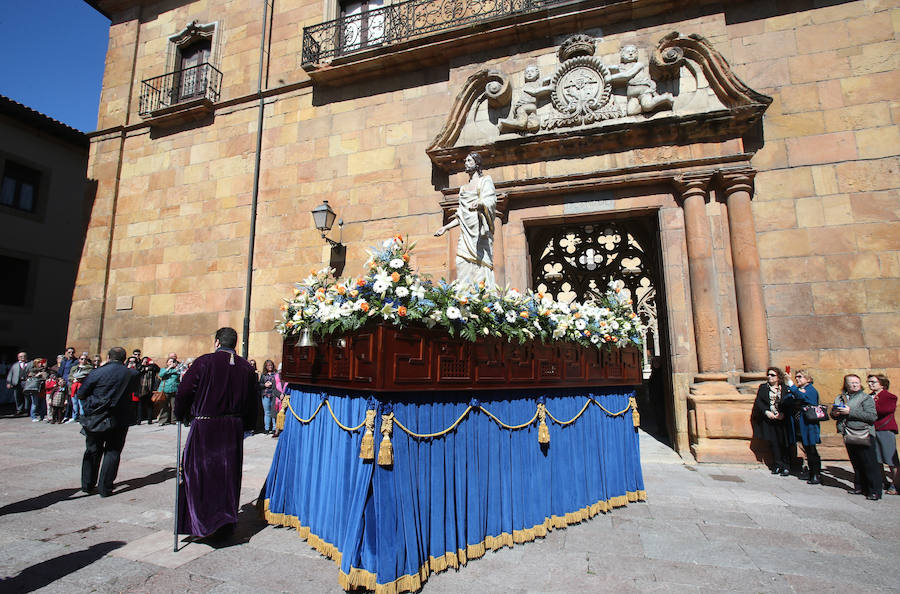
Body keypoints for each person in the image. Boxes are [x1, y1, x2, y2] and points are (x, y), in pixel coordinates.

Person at [174, 327, 257, 540]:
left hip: (206, 427)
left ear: (217, 342)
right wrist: (246, 425)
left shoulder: (205, 362)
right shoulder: (246, 367)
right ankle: (224, 523)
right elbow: (252, 402)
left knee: (200, 474)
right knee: (228, 476)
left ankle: (204, 522)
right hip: (233, 429)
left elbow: (184, 391)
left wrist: (181, 413)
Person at [77, 347, 139, 497]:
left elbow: (81, 393)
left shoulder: (98, 372)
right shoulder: (132, 374)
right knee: (113, 451)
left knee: (92, 450)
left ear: (109, 357)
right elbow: (136, 394)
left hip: (97, 417)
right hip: (120, 418)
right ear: (124, 358)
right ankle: (105, 488)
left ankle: (87, 485)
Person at [434, 152, 497, 289]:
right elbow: (461, 215)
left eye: (469, 161)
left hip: (480, 233)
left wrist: (481, 204)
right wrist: (445, 228)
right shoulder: (463, 189)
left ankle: (481, 299)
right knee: (461, 262)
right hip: (466, 233)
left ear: (477, 163)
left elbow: (491, 200)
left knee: (481, 268)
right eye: (466, 161)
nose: (466, 163)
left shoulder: (485, 181)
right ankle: (464, 296)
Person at [831, 374, 881, 500]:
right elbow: (833, 413)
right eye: (852, 382)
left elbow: (872, 416)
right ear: (846, 384)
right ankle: (860, 487)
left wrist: (850, 412)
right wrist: (835, 413)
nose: (855, 385)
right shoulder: (841, 398)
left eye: (857, 382)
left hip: (863, 433)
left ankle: (874, 490)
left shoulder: (865, 398)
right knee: (856, 462)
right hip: (848, 432)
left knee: (869, 462)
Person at [783, 369, 822, 484]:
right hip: (798, 424)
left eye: (800, 377)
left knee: (811, 449)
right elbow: (787, 399)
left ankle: (816, 473)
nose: (797, 379)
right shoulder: (797, 389)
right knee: (805, 448)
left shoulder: (811, 390)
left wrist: (791, 384)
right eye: (796, 377)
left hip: (807, 425)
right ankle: (810, 472)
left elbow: (803, 397)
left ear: (808, 379)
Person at [752, 367, 792, 476]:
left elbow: (790, 402)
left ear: (778, 377)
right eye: (768, 375)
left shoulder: (784, 388)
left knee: (784, 443)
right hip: (770, 419)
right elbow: (759, 401)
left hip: (782, 419)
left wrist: (783, 414)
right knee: (773, 443)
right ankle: (777, 464)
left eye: (772, 375)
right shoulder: (763, 387)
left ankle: (786, 465)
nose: (769, 377)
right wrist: (766, 412)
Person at [868, 373, 898, 495]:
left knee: (891, 459)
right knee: (876, 458)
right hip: (872, 430)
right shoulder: (869, 397)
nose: (870, 384)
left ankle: (896, 484)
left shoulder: (889, 396)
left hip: (885, 429)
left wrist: (870, 404)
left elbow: (885, 410)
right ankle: (882, 481)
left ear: (882, 384)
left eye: (873, 382)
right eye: (869, 382)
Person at [68, 354, 94, 423]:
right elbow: (70, 376)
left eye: (85, 359)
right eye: (82, 359)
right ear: (79, 360)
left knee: (81, 403)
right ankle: (74, 417)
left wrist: (78, 378)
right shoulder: (74, 368)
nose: (83, 360)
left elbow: (85, 376)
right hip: (73, 387)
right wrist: (73, 379)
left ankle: (82, 417)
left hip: (82, 387)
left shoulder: (89, 368)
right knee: (74, 403)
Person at [156, 357, 181, 425]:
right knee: (164, 406)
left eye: (173, 362)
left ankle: (174, 420)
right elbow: (160, 375)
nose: (171, 363)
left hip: (174, 390)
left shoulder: (177, 370)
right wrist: (169, 368)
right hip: (164, 390)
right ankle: (162, 420)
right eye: (170, 361)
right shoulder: (163, 369)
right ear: (167, 363)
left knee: (174, 406)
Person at [136, 356, 159, 425]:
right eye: (144, 360)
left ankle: (150, 420)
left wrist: (152, 364)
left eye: (147, 361)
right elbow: (139, 370)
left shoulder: (152, 367)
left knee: (150, 405)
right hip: (141, 388)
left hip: (150, 388)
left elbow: (157, 369)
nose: (146, 362)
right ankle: (139, 420)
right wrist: (144, 366)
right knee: (140, 406)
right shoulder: (140, 366)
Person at [23, 358, 48, 423]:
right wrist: (36, 376)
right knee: (35, 403)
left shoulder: (44, 370)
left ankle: (42, 416)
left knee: (43, 403)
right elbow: (29, 379)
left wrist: (43, 373)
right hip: (34, 389)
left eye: (41, 362)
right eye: (39, 363)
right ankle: (33, 416)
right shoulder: (32, 370)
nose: (40, 364)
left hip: (42, 388)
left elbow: (46, 377)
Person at [6, 351, 29, 416]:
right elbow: (10, 374)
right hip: (17, 383)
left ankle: (27, 409)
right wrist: (9, 382)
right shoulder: (15, 365)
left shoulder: (30, 363)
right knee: (17, 396)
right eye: (21, 356)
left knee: (27, 396)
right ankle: (19, 409)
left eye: (24, 356)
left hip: (26, 382)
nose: (22, 357)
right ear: (18, 357)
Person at [259, 359, 278, 435]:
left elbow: (278, 384)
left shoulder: (276, 374)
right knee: (267, 412)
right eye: (268, 365)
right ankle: (266, 428)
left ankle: (274, 428)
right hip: (265, 395)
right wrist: (265, 385)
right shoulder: (263, 375)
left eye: (271, 365)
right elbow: (260, 384)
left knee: (274, 411)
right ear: (265, 366)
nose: (270, 367)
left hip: (273, 395)